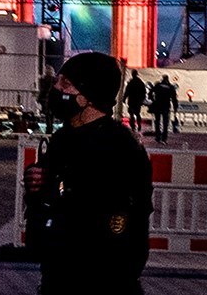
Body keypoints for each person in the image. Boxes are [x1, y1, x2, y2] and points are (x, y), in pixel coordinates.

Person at [23, 52, 153, 295]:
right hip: (58, 277)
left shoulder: (120, 147)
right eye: (57, 81)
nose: (56, 88)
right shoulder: (63, 138)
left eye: (66, 84)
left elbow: (121, 222)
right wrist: (38, 184)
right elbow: (51, 202)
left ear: (87, 97)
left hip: (102, 281)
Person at [150, 75, 178, 144]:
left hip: (158, 105)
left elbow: (150, 93)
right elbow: (174, 98)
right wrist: (175, 107)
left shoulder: (158, 85)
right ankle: (164, 138)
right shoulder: (171, 87)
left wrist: (153, 100)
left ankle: (158, 137)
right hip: (166, 106)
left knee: (157, 121)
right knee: (165, 123)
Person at [37, 65, 56, 130]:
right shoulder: (55, 80)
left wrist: (39, 98)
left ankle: (49, 128)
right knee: (51, 115)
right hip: (53, 99)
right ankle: (50, 127)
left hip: (47, 99)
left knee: (48, 114)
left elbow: (43, 90)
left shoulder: (46, 80)